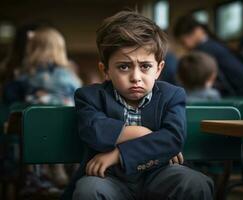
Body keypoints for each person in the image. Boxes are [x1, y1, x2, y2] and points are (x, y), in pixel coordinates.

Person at [62, 11, 214, 200]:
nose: (135, 77)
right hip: (108, 177)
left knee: (195, 183)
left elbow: (173, 138)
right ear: (106, 70)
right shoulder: (89, 96)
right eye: (124, 67)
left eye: (145, 66)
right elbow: (95, 131)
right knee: (88, 190)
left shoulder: (172, 95)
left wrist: (118, 154)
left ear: (158, 69)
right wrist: (146, 134)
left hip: (160, 173)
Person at [173, 15, 243, 98]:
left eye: (183, 41)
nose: (184, 46)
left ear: (196, 31)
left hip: (241, 95)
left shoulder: (204, 50)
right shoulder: (212, 44)